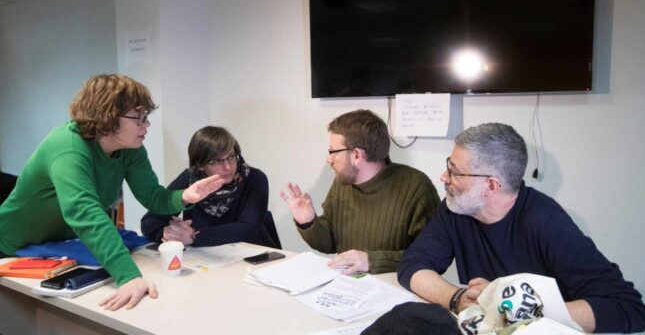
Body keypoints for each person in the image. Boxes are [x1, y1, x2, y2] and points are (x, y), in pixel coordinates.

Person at [397, 123, 645, 333]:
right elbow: (413, 265)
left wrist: (513, 305)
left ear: (491, 186)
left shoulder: (547, 222)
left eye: (454, 171)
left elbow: (630, 309)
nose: (444, 177)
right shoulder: (455, 208)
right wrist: (458, 298)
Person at [0, 74, 223, 311]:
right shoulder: (67, 148)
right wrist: (128, 276)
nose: (146, 124)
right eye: (139, 117)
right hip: (12, 249)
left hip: (60, 249)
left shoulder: (130, 149)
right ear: (107, 117)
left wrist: (184, 197)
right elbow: (85, 214)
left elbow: (151, 195)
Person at [280, 109, 440, 275]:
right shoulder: (343, 183)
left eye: (332, 151)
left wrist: (371, 261)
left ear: (356, 155)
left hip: (397, 292)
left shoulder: (416, 187)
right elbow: (329, 244)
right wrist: (308, 222)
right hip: (349, 288)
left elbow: (433, 258)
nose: (328, 159)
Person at [140, 126, 276, 248]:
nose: (228, 167)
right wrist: (169, 234)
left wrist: (194, 237)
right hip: (206, 258)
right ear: (200, 165)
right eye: (217, 161)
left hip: (253, 256)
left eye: (231, 157)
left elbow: (247, 229)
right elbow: (150, 221)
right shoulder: (191, 179)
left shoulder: (255, 178)